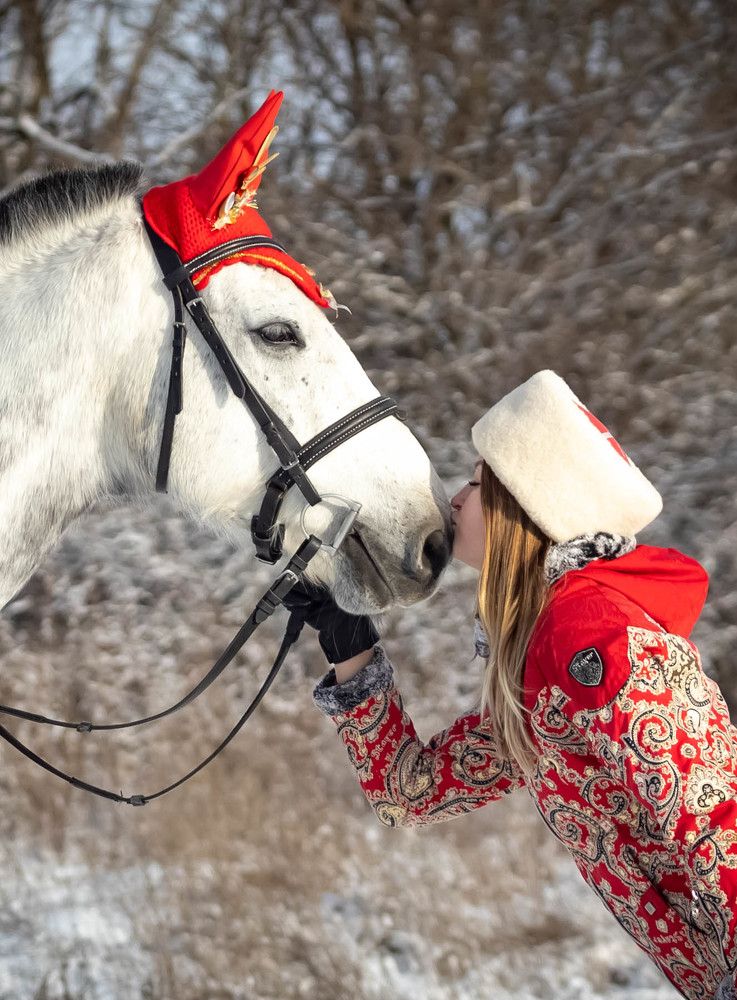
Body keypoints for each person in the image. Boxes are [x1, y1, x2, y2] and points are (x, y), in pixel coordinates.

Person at [283, 370, 736, 1000]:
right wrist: (349, 641)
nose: (455, 500)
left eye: (475, 483)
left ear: (524, 504)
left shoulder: (591, 638)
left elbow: (714, 824)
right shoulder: (541, 666)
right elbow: (409, 791)